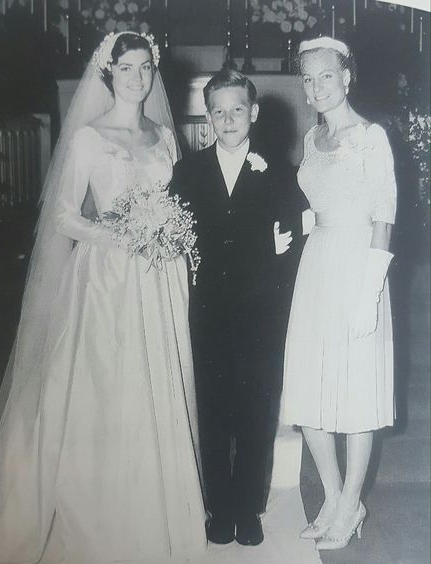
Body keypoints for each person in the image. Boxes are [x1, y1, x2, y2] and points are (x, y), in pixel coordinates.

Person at [0, 32, 206, 564]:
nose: (137, 79)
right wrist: (120, 236)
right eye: (127, 69)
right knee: (106, 384)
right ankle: (99, 512)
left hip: (160, 276)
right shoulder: (90, 137)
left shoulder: (164, 137)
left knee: (156, 381)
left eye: (144, 68)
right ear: (108, 74)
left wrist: (165, 234)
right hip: (107, 278)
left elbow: (173, 201)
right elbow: (65, 214)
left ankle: (155, 505)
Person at [170, 69, 301, 547]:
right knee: (213, 408)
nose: (228, 119)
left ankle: (249, 507)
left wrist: (275, 281)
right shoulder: (187, 172)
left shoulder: (278, 172)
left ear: (255, 113)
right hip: (205, 309)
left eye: (237, 110)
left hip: (260, 312)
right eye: (218, 112)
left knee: (255, 408)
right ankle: (219, 507)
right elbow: (174, 236)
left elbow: (294, 243)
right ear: (207, 118)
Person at [281, 36, 397, 550]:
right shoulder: (312, 140)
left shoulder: (371, 136)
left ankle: (351, 503)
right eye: (307, 77)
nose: (316, 87)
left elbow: (383, 213)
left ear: (347, 77)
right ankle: (331, 495)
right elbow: (319, 203)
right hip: (316, 264)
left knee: (354, 389)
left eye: (326, 75)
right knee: (308, 388)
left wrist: (370, 288)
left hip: (358, 266)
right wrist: (291, 228)